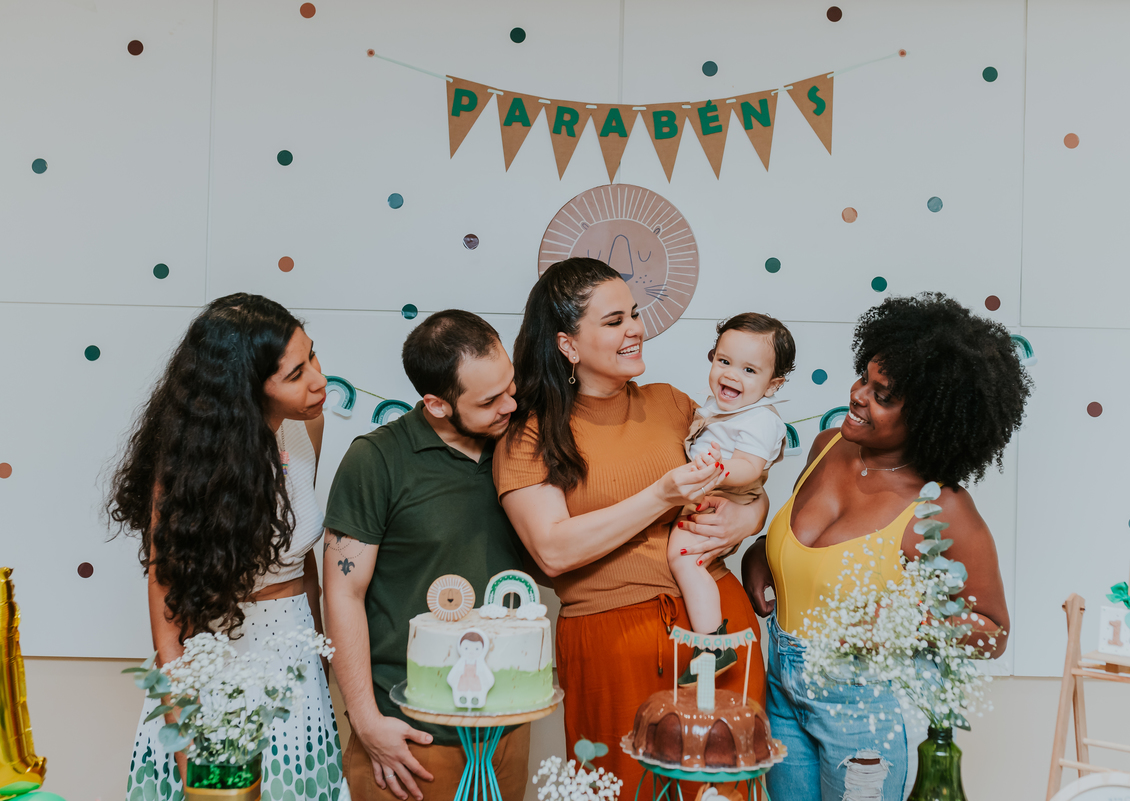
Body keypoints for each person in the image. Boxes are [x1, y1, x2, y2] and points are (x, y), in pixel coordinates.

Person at [740, 293, 1031, 800]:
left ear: (929, 417)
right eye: (863, 379)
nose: (857, 395)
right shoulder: (828, 445)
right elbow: (812, 550)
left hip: (863, 712)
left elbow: (994, 633)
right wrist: (761, 554)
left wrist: (909, 619)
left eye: (883, 394)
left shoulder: (942, 509)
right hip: (781, 686)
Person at [493, 257, 770, 789]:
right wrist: (660, 494)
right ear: (567, 344)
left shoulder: (672, 404)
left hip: (717, 621)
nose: (636, 329)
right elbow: (552, 551)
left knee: (726, 791)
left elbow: (744, 483)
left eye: (635, 314)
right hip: (611, 639)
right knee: (621, 786)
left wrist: (746, 517)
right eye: (614, 320)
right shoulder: (531, 434)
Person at [109, 293, 341, 801]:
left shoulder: (308, 426)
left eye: (313, 357)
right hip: (215, 665)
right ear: (246, 390)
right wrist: (187, 739)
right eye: (296, 373)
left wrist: (321, 657)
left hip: (296, 654)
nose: (320, 380)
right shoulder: (187, 470)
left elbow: (299, 556)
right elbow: (170, 629)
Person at [322, 310, 527, 801]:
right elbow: (342, 593)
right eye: (489, 400)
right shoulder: (376, 460)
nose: (511, 405)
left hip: (507, 726)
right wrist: (368, 722)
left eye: (511, 387)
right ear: (436, 404)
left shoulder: (523, 446)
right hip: (411, 739)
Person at [671, 313, 795, 684]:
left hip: (726, 490)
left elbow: (750, 468)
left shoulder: (759, 420)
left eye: (749, 370)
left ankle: (711, 643)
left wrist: (719, 469)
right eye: (723, 361)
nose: (731, 375)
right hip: (712, 489)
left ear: (773, 385)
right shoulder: (719, 406)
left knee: (682, 556)